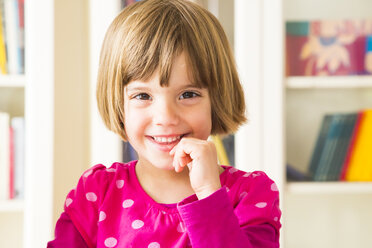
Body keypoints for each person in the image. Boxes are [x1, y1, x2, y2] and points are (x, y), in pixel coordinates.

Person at [48, 0, 281, 247]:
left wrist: (209, 194)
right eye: (142, 96)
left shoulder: (251, 194)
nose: (166, 117)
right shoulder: (96, 194)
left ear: (217, 98)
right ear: (118, 103)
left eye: (188, 94)